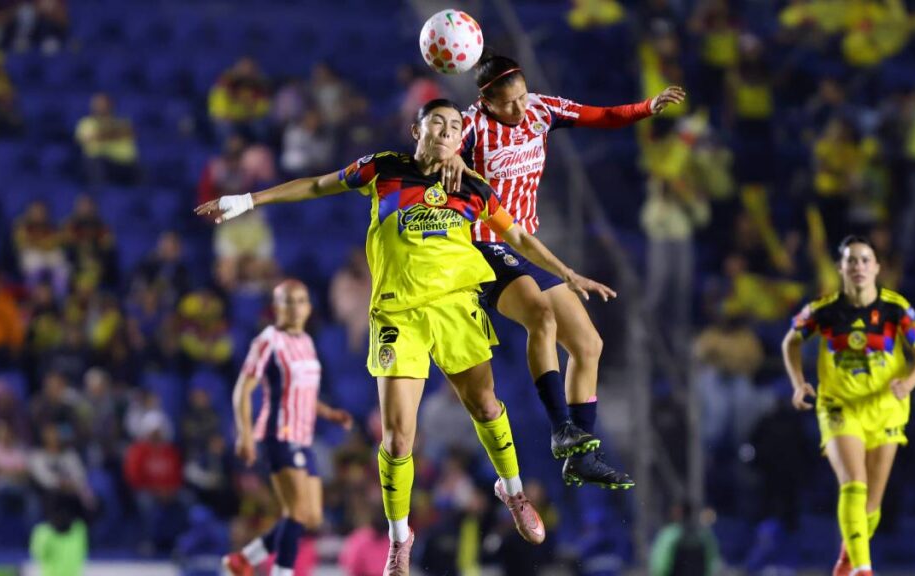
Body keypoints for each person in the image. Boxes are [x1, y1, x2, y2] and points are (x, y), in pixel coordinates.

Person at [198, 98, 615, 575]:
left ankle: (513, 491)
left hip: (455, 308)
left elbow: (516, 237)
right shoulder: (383, 169)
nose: (445, 130)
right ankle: (400, 540)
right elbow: (317, 184)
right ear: (416, 129)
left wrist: (566, 272)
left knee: (486, 407)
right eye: (435, 122)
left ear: (461, 140)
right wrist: (248, 200)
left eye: (454, 125)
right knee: (398, 439)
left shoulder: (473, 187)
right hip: (398, 315)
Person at [440, 51, 685, 489]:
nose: (518, 108)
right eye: (508, 103)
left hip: (526, 245)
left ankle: (582, 454)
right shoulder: (470, 124)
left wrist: (647, 107)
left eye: (521, 96)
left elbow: (602, 116)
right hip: (481, 246)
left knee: (589, 345)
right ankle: (560, 429)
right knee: (543, 316)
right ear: (486, 101)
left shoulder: (541, 109)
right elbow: (435, 148)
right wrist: (450, 157)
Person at [782, 235, 915, 576]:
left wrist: (907, 383)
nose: (859, 267)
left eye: (866, 260)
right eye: (851, 260)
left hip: (886, 410)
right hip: (839, 407)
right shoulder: (824, 310)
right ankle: (863, 569)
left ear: (877, 267)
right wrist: (798, 383)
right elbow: (790, 341)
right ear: (840, 268)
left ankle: (846, 559)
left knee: (872, 503)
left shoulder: (896, 308)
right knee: (854, 482)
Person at [220, 279, 353, 576]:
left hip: (304, 437)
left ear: (309, 306)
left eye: (301, 300)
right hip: (279, 434)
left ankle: (243, 559)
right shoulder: (268, 341)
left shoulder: (306, 341)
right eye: (287, 301)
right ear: (276, 306)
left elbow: (304, 392)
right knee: (296, 512)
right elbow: (243, 388)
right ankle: (281, 572)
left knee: (312, 516)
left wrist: (330, 413)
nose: (295, 307)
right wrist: (244, 434)